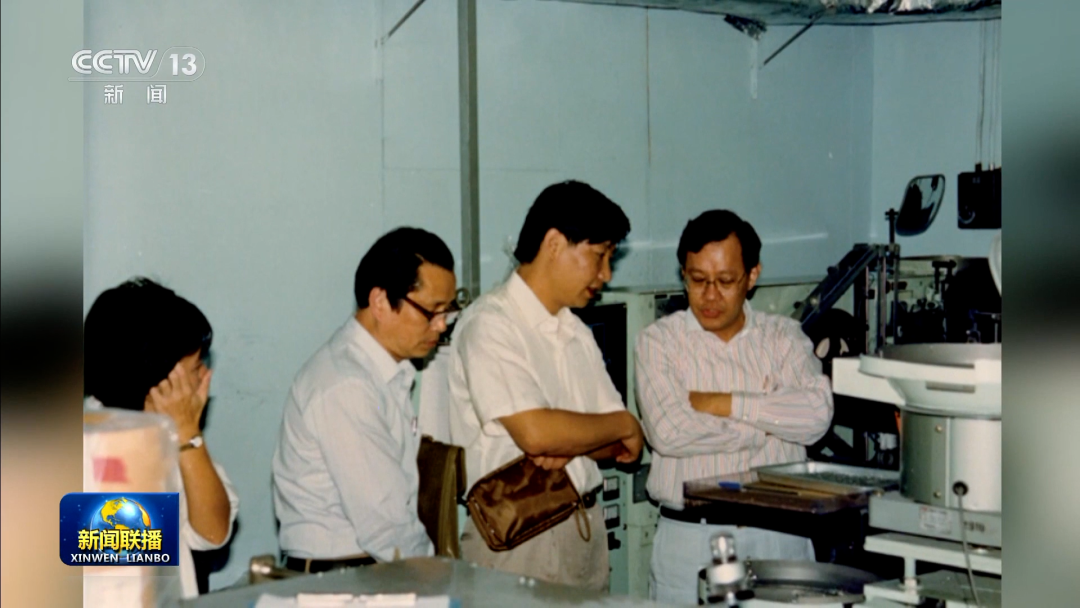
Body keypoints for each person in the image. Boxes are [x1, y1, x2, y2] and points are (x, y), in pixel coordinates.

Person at [448, 180, 645, 591]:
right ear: (554, 244)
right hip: (521, 538)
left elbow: (620, 448)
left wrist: (575, 438)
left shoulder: (576, 332)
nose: (606, 274)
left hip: (584, 527)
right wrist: (624, 423)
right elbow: (537, 433)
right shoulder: (492, 325)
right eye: (599, 256)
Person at [635, 210, 833, 604]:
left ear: (752, 276)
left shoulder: (783, 338)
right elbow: (669, 432)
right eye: (697, 280)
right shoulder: (659, 342)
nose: (710, 295)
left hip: (780, 538)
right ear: (683, 274)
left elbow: (815, 417)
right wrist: (764, 422)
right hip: (691, 540)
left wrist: (720, 403)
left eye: (725, 281)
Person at [272, 227, 458, 572]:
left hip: (368, 568)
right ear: (380, 302)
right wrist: (439, 577)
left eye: (448, 311)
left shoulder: (380, 373)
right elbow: (384, 522)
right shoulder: (346, 385)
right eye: (432, 311)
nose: (442, 325)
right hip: (341, 575)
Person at [83, 278, 240, 600]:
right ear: (157, 379)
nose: (205, 377)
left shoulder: (174, 432)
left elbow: (214, 532)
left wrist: (187, 434)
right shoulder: (96, 448)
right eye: (196, 368)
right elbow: (127, 578)